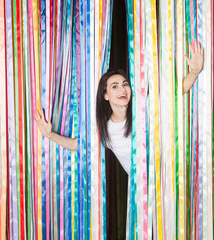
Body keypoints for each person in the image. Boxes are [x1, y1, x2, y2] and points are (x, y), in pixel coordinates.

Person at [34, 40, 204, 175]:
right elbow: (76, 145)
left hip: (172, 181)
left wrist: (195, 71)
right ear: (105, 95)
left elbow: (175, 93)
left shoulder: (144, 110)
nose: (122, 89)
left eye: (124, 84)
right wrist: (49, 134)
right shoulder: (106, 130)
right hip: (143, 199)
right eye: (114, 86)